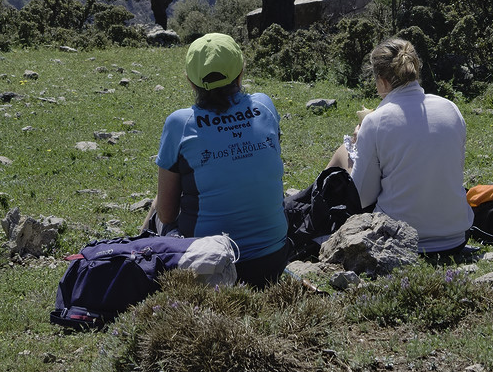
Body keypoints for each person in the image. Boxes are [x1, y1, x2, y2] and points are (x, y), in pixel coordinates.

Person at [154, 33, 291, 285]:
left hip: (209, 266)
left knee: (160, 200)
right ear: (241, 72)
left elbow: (166, 214)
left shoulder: (179, 123)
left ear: (191, 81)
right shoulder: (265, 105)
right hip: (273, 260)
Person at [325, 38, 471, 253]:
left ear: (381, 80)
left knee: (343, 151)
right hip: (456, 237)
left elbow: (362, 197)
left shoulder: (376, 121)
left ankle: (319, 213)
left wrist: (358, 144)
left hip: (398, 239)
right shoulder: (451, 108)